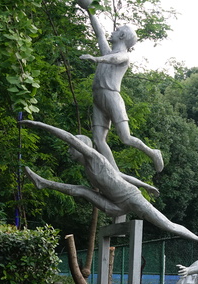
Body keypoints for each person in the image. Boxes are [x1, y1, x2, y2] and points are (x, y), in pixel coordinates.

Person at [20, 120, 198, 242]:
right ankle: (42, 182)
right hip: (116, 206)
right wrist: (146, 185)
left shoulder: (94, 158)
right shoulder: (87, 169)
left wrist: (37, 124)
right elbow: (120, 175)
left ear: (80, 147)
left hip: (131, 198)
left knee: (167, 225)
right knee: (82, 190)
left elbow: (69, 137)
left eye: (71, 148)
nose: (69, 151)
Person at [77, 0, 164, 172]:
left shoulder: (123, 56)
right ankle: (114, 173)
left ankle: (153, 152)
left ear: (122, 36)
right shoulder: (108, 52)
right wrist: (90, 11)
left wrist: (97, 59)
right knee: (98, 140)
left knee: (126, 138)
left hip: (111, 97)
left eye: (117, 31)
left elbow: (114, 59)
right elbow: (99, 33)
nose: (113, 31)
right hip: (98, 98)